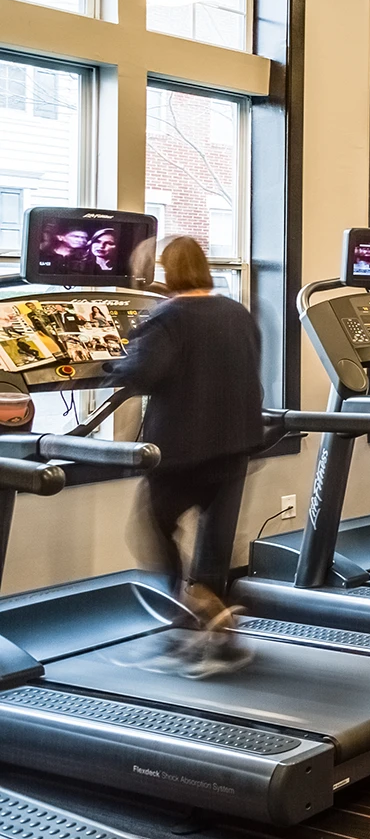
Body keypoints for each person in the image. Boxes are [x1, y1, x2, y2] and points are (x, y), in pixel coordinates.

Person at [111, 236, 267, 677]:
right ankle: (210, 631)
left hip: (182, 452)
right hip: (236, 447)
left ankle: (197, 617)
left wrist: (115, 356)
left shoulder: (167, 318)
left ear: (168, 271)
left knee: (154, 531)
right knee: (213, 551)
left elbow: (141, 374)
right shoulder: (237, 312)